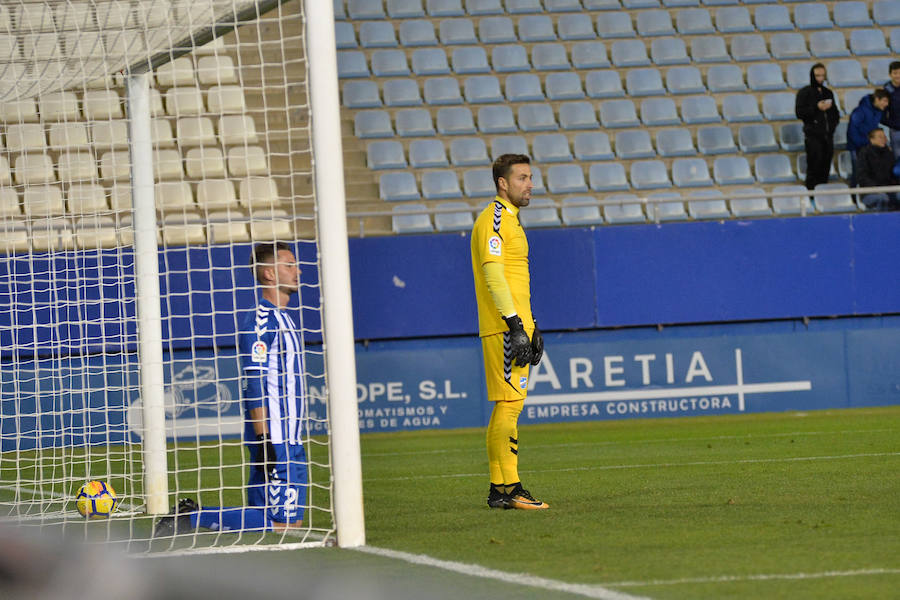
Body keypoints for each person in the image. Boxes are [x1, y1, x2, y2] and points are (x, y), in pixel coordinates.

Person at [154, 242, 308, 535]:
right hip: (275, 437)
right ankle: (192, 518)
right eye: (289, 264)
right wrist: (264, 439)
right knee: (284, 524)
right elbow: (254, 383)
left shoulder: (283, 319)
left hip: (288, 435)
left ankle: (192, 517)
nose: (297, 270)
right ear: (269, 274)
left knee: (270, 520)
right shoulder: (261, 322)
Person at [470, 153, 548, 511]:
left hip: (516, 324)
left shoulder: (512, 221)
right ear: (503, 183)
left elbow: (515, 280)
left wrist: (531, 325)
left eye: (530, 177)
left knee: (508, 405)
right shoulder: (495, 218)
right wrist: (515, 326)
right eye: (522, 178)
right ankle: (508, 487)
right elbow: (493, 274)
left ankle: (502, 489)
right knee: (510, 406)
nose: (530, 184)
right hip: (505, 327)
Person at [795, 63, 840, 190]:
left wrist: (832, 126)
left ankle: (822, 193)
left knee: (825, 167)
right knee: (814, 166)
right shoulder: (804, 93)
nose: (820, 78)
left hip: (828, 136)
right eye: (817, 76)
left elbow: (835, 113)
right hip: (813, 136)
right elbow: (800, 113)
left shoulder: (828, 92)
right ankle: (812, 195)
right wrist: (816, 107)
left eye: (822, 76)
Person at [847, 89, 890, 186]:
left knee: (869, 172)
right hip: (857, 147)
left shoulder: (879, 111)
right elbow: (852, 131)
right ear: (877, 99)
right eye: (885, 101)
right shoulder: (860, 111)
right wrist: (864, 144)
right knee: (857, 172)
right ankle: (854, 196)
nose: (886, 104)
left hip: (869, 146)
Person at [856, 128, 900, 211]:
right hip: (870, 192)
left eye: (884, 136)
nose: (884, 139)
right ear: (872, 139)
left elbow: (893, 175)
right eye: (880, 137)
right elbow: (862, 176)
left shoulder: (889, 153)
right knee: (883, 198)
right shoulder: (864, 153)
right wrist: (876, 189)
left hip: (889, 190)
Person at [882, 61, 900, 160]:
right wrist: (894, 124)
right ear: (890, 74)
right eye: (895, 73)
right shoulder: (886, 91)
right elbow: (882, 116)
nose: (898, 76)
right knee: (897, 159)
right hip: (896, 131)